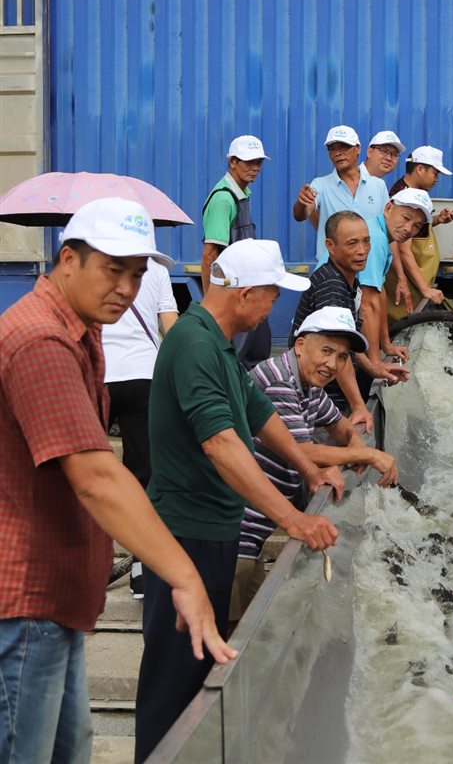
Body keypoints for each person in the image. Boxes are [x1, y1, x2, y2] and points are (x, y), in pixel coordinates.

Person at [0, 197, 235, 764]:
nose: (127, 288)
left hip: (58, 597)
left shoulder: (80, 333)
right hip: (26, 596)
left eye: (137, 274)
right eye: (113, 269)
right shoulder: (40, 339)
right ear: (68, 260)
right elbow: (97, 475)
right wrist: (183, 574)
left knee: (69, 750)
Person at [135, 239, 340, 763]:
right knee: (174, 677)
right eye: (271, 295)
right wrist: (291, 518)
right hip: (186, 532)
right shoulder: (195, 344)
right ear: (246, 292)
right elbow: (221, 442)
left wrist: (308, 468)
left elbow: (258, 416)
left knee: (200, 668)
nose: (274, 306)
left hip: (214, 529)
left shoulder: (219, 343)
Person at [231, 307, 398, 622]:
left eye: (342, 357)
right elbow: (301, 451)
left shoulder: (307, 382)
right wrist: (367, 455)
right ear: (299, 344)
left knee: (256, 626)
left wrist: (355, 441)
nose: (332, 364)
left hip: (254, 531)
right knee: (233, 640)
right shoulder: (280, 381)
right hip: (234, 530)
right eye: (326, 351)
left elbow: (338, 424)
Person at [103, 258, 179, 599]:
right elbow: (170, 326)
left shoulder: (98, 264)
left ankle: (94, 561)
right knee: (144, 473)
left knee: (89, 472)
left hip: (98, 375)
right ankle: (141, 570)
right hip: (143, 375)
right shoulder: (157, 270)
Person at [290, 211, 408, 432]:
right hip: (320, 400)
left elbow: (347, 347)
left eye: (366, 241)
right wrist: (358, 406)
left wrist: (375, 369)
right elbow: (336, 351)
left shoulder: (347, 279)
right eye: (352, 244)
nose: (362, 251)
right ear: (330, 246)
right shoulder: (331, 286)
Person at [201, 133, 272, 369]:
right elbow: (210, 254)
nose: (255, 168)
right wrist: (210, 307)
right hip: (232, 297)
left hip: (247, 292)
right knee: (234, 362)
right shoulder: (224, 199)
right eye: (249, 162)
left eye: (259, 162)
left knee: (255, 356)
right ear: (232, 161)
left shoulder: (241, 195)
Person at [359, 189, 433, 372]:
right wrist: (376, 362)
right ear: (388, 208)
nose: (409, 229)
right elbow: (367, 304)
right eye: (405, 218)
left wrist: (386, 344)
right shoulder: (374, 240)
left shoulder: (382, 237)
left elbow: (380, 293)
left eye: (417, 225)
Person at [293, 125, 389, 260]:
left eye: (344, 147)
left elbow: (387, 229)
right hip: (332, 271)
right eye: (332, 149)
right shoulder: (320, 185)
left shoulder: (378, 185)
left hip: (370, 269)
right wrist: (302, 203)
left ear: (358, 148)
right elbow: (301, 214)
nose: (337, 153)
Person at [385, 145, 453, 316]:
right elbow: (403, 250)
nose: (436, 179)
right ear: (420, 169)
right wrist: (424, 288)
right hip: (411, 282)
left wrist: (437, 220)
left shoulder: (414, 192)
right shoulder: (403, 196)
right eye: (435, 173)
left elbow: (414, 231)